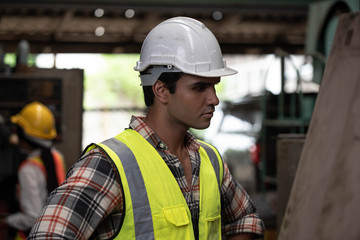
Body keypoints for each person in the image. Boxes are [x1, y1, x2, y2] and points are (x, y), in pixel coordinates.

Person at [28, 17, 265, 239]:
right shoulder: (110, 165)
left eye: (214, 86)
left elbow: (246, 219)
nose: (214, 99)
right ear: (161, 90)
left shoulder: (210, 160)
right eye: (199, 87)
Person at [1, 101, 66, 239]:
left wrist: (6, 221)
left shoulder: (29, 169)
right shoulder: (57, 156)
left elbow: (32, 217)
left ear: (22, 135)